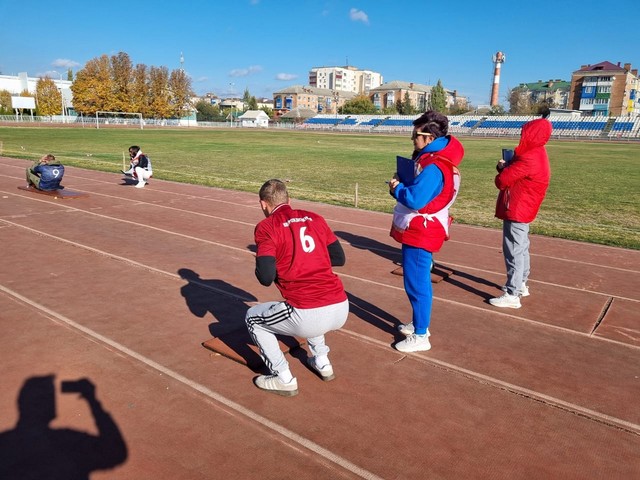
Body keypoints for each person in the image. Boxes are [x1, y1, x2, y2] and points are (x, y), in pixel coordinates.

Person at [245, 179, 349, 396]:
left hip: (307, 313)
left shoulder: (267, 227)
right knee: (309, 302)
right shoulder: (315, 218)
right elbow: (339, 258)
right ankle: (322, 361)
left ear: (263, 204)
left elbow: (265, 277)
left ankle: (283, 377)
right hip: (341, 306)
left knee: (252, 318)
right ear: (288, 200)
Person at [388, 111, 464, 352]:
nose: (412, 139)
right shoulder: (436, 160)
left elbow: (416, 199)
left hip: (422, 230)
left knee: (417, 283)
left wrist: (397, 188)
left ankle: (422, 335)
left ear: (429, 138)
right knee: (415, 281)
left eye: (415, 135)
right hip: (422, 228)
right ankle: (418, 324)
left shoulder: (434, 166)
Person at [489, 112, 552, 309]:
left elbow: (502, 181)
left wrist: (503, 169)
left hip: (518, 206)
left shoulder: (528, 156)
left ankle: (512, 292)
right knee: (522, 246)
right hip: (525, 205)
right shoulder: (538, 152)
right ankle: (521, 284)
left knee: (514, 249)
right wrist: (509, 167)